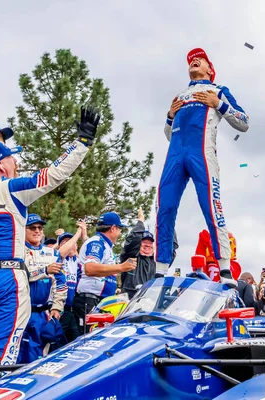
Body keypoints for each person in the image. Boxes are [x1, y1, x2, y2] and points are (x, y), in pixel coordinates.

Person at [0, 106, 100, 365]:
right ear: (1, 164)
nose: (16, 162)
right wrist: (82, 142)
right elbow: (53, 175)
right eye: (12, 158)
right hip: (6, 282)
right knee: (2, 363)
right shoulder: (9, 188)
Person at [155, 47, 249, 286]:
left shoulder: (218, 90)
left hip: (202, 154)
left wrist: (218, 104)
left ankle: (225, 268)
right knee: (164, 207)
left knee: (211, 207)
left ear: (210, 69)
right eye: (190, 60)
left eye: (200, 59)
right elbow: (169, 134)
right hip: (175, 155)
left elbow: (244, 122)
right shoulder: (179, 96)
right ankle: (160, 270)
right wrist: (169, 115)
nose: (194, 61)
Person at [74, 212, 137, 334]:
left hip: (99, 301)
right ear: (113, 228)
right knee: (88, 341)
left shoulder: (104, 245)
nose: (119, 234)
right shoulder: (97, 242)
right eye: (120, 229)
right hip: (90, 300)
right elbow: (90, 268)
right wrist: (121, 267)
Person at [18, 214, 67, 363]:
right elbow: (19, 276)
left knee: (39, 357)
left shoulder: (53, 253)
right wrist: (44, 271)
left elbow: (61, 283)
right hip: (20, 312)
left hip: (42, 314)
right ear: (23, 230)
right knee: (17, 356)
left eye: (40, 227)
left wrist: (57, 307)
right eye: (32, 227)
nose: (37, 231)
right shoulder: (17, 252)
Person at [57, 223, 86, 342]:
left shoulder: (78, 261)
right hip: (59, 309)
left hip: (74, 311)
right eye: (64, 243)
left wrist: (84, 235)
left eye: (72, 242)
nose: (69, 246)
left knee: (76, 341)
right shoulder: (58, 259)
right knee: (57, 341)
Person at [120, 207, 156, 298]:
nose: (147, 245)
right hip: (129, 302)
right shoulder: (131, 257)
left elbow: (171, 249)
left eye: (150, 243)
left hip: (149, 303)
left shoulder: (157, 262)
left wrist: (167, 221)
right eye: (144, 242)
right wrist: (140, 221)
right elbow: (133, 240)